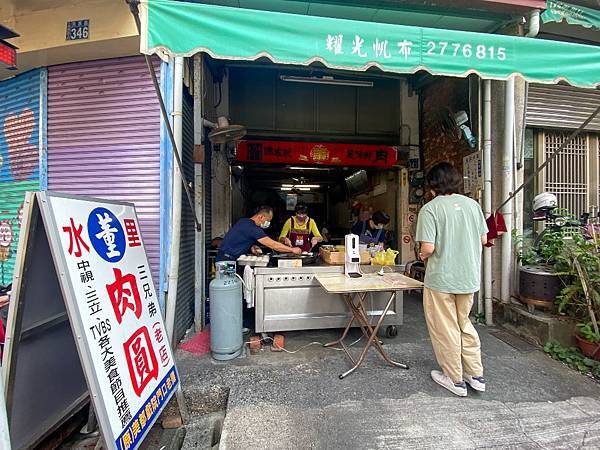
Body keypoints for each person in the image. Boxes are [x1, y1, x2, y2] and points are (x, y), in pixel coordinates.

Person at [415, 162, 488, 397]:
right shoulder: (473, 206)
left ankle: (454, 378)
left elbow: (428, 247)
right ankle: (475, 375)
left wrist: (421, 255)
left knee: (445, 328)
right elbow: (484, 239)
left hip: (441, 279)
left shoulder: (430, 209)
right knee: (464, 323)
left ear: (433, 185)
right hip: (467, 277)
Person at [217, 206, 301, 262]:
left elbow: (240, 239)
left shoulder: (243, 221)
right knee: (226, 287)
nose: (268, 223)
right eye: (268, 221)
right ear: (261, 217)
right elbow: (273, 245)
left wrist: (251, 246)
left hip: (224, 257)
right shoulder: (253, 229)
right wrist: (292, 250)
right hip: (226, 260)